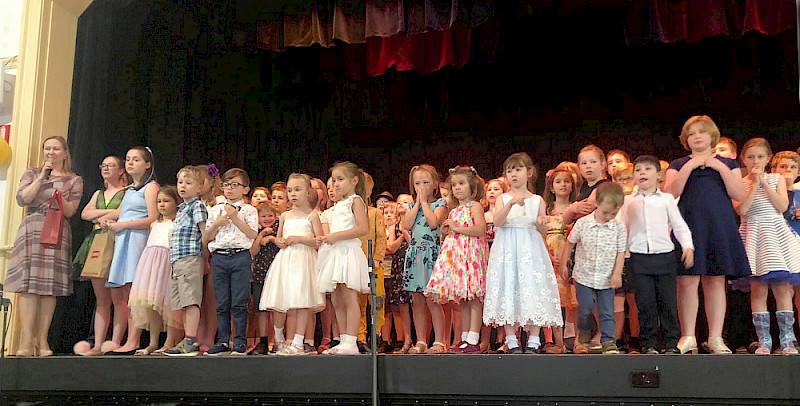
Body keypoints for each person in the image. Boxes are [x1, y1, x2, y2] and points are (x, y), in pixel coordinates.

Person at [665, 115, 749, 355]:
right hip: (688, 225)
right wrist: (691, 166)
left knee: (715, 280)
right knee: (687, 281)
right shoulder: (679, 163)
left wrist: (718, 165)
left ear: (712, 136)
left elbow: (739, 193)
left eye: (702, 132)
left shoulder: (727, 164)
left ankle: (715, 337)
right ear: (686, 139)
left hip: (718, 226)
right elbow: (670, 192)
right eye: (692, 133)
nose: (697, 137)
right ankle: (688, 336)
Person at [7, 136, 83, 356]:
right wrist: (42, 177)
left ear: (65, 152)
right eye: (47, 148)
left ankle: (42, 340)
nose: (51, 152)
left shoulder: (74, 179)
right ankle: (26, 340)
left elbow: (71, 211)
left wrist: (59, 197)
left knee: (49, 286)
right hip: (32, 227)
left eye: (56, 148)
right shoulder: (31, 173)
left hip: (58, 228)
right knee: (29, 286)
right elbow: (23, 199)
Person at [484, 153, 562, 354]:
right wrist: (510, 204)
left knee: (533, 288)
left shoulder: (537, 200)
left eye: (517, 170)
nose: (513, 175)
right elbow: (498, 222)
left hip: (530, 247)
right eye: (509, 171)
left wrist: (542, 223)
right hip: (507, 247)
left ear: (529, 173)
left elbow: (542, 230)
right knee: (508, 286)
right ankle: (511, 340)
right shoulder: (503, 198)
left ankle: (534, 339)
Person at [619, 155, 694, 354]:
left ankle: (671, 343)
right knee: (645, 302)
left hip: (664, 255)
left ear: (658, 174)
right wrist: (622, 253)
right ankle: (649, 343)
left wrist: (688, 247)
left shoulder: (667, 199)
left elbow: (679, 225)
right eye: (638, 170)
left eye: (647, 169)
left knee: (668, 301)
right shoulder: (628, 201)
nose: (642, 173)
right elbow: (621, 228)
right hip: (638, 256)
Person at [733, 138, 800, 355]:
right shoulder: (740, 182)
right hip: (753, 234)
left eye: (760, 157)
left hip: (775, 235)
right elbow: (742, 210)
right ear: (743, 159)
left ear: (768, 158)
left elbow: (782, 206)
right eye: (751, 157)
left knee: (782, 288)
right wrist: (753, 184)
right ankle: (764, 341)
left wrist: (764, 183)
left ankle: (787, 341)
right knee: (758, 289)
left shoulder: (776, 179)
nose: (755, 161)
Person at [423, 166, 489, 354]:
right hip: (459, 259)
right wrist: (447, 230)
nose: (457, 188)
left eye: (461, 183)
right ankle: (465, 338)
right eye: (454, 185)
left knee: (474, 298)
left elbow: (480, 230)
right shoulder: (454, 210)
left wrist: (457, 227)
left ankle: (474, 338)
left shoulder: (474, 206)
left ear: (472, 185)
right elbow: (453, 229)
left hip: (472, 257)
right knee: (464, 300)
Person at [100, 146, 159, 355]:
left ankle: (134, 340)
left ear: (147, 164)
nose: (130, 163)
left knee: (135, 292)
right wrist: (111, 220)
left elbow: (153, 219)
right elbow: (124, 214)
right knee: (123, 293)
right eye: (128, 159)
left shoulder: (150, 188)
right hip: (123, 239)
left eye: (136, 159)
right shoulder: (129, 190)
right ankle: (122, 339)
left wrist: (124, 225)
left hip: (136, 240)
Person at [260, 173, 325, 355]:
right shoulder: (285, 216)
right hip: (286, 260)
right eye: (290, 190)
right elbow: (280, 236)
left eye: (297, 190)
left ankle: (298, 341)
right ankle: (279, 339)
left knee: (302, 300)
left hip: (303, 260)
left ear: (308, 192)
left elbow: (318, 241)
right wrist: (279, 241)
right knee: (281, 298)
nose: (293, 194)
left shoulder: (312, 216)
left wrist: (300, 239)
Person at [560, 182, 627, 355]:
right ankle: (583, 332)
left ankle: (608, 341)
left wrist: (617, 273)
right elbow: (570, 242)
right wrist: (564, 262)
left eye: (614, 213)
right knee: (585, 306)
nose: (609, 217)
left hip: (606, 278)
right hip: (584, 275)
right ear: (596, 203)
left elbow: (621, 252)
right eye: (605, 212)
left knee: (607, 311)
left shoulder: (618, 227)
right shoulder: (582, 223)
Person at [72, 156, 127, 356]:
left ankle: (116, 342)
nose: (105, 168)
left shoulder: (127, 192)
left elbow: (125, 211)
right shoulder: (98, 193)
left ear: (121, 170)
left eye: (111, 165)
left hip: (117, 242)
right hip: (97, 242)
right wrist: (108, 215)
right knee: (102, 299)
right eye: (103, 165)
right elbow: (85, 214)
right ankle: (97, 344)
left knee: (119, 297)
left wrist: (102, 215)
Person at [316, 162, 371, 355]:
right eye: (334, 180)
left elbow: (363, 228)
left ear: (354, 181)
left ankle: (351, 341)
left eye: (340, 179)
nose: (336, 184)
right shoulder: (338, 204)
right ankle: (342, 339)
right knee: (337, 299)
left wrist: (336, 236)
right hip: (335, 252)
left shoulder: (355, 201)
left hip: (347, 251)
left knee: (349, 296)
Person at [204, 168, 259, 356]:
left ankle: (240, 341)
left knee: (239, 302)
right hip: (219, 256)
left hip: (240, 256)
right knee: (221, 302)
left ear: (245, 189)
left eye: (235, 185)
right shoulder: (215, 210)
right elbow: (207, 237)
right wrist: (218, 223)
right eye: (226, 185)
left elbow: (253, 234)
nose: (229, 189)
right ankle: (222, 340)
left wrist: (234, 217)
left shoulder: (249, 210)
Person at [128, 186, 183, 355]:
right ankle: (152, 342)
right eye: (159, 201)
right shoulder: (154, 224)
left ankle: (169, 341)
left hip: (166, 263)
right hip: (150, 265)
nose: (162, 205)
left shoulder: (177, 223)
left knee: (167, 304)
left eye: (166, 201)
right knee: (151, 304)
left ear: (176, 203)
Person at [402, 165, 448, 354]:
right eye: (417, 183)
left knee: (432, 300)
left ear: (435, 184)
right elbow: (406, 224)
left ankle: (439, 340)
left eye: (426, 183)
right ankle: (421, 340)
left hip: (431, 256)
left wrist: (425, 203)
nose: (421, 187)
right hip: (415, 256)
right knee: (417, 300)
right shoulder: (411, 206)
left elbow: (433, 222)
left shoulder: (440, 204)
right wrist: (417, 204)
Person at [164, 166, 209, 356]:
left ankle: (191, 339)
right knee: (182, 301)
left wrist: (205, 258)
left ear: (199, 188)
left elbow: (204, 234)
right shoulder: (181, 209)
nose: (183, 186)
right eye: (180, 182)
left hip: (190, 258)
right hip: (178, 260)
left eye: (188, 183)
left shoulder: (197, 206)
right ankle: (187, 338)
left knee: (190, 300)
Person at [542, 167, 580, 354]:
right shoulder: (546, 210)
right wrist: (550, 257)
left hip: (573, 258)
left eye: (567, 181)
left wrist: (567, 258)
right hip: (551, 257)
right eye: (558, 181)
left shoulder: (577, 207)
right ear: (551, 187)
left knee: (574, 300)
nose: (563, 185)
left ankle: (577, 340)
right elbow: (539, 234)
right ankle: (558, 343)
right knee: (554, 300)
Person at [357, 172, 387, 353]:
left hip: (374, 264)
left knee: (377, 300)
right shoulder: (351, 213)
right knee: (359, 301)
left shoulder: (375, 213)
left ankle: (377, 334)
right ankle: (360, 337)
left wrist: (377, 258)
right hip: (357, 263)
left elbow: (381, 237)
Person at [249, 202, 279, 355]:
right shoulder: (255, 231)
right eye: (263, 216)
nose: (267, 219)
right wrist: (261, 236)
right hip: (259, 275)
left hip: (276, 274)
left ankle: (278, 339)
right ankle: (263, 340)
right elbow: (252, 252)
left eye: (270, 215)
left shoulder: (279, 229)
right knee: (260, 310)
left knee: (277, 308)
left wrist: (272, 238)